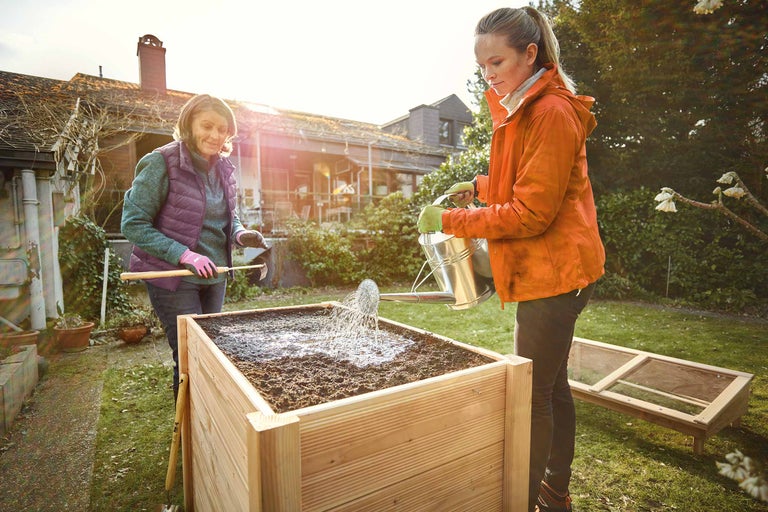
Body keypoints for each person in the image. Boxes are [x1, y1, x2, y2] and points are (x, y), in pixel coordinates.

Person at [417, 6, 605, 512]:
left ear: (530, 53)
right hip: (552, 269)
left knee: (532, 395)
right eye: (482, 66)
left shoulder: (550, 112)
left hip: (556, 273)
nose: (488, 75)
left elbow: (530, 214)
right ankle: (555, 494)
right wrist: (478, 185)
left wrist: (449, 219)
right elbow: (523, 181)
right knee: (552, 386)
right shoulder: (524, 105)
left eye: (496, 62)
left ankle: (523, 500)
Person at [121, 93, 268, 399]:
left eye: (222, 129)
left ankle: (209, 420)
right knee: (190, 358)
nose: (215, 135)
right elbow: (133, 224)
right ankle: (188, 427)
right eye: (207, 126)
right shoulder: (161, 162)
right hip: (174, 279)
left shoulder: (224, 168)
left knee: (211, 352)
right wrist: (185, 255)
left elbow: (227, 217)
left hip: (214, 276)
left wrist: (241, 235)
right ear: (189, 125)